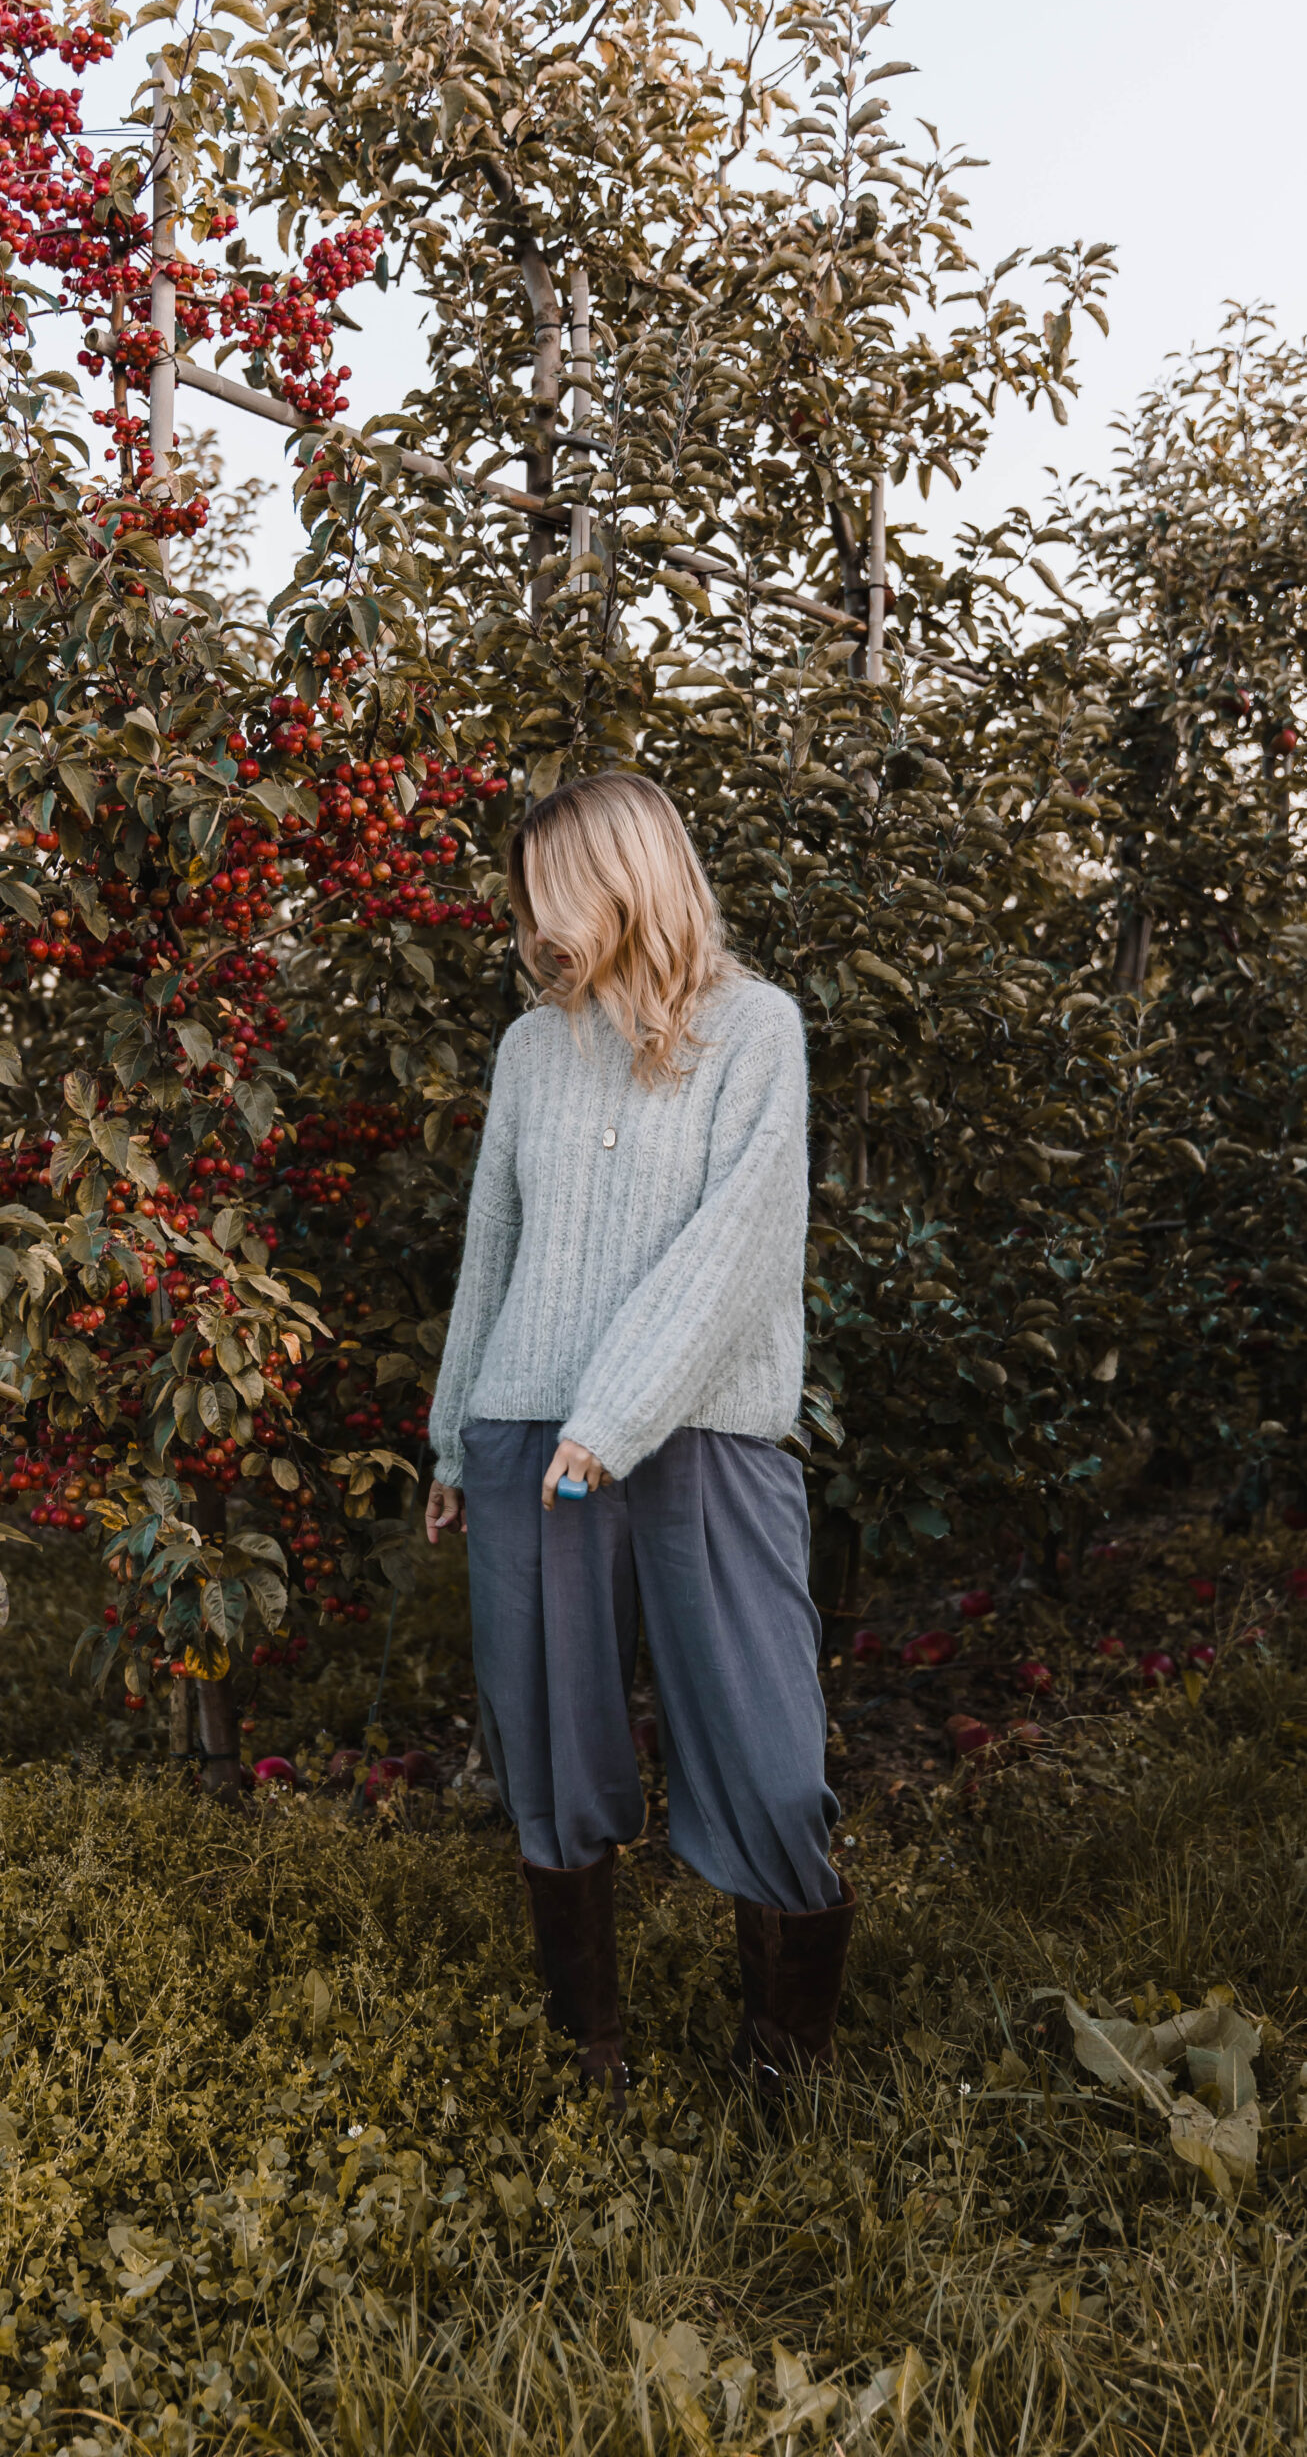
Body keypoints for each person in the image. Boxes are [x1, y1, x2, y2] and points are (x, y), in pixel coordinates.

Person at [425, 770, 852, 2109]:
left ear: (626, 880)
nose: (533, 926)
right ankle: (590, 2058)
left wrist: (613, 1420)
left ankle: (782, 2073)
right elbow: (493, 1250)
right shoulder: (529, 1050)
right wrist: (455, 1441)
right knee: (552, 1749)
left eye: (551, 894)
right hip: (528, 1440)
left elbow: (738, 1251)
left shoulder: (756, 1031)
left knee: (771, 1758)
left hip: (705, 1435)